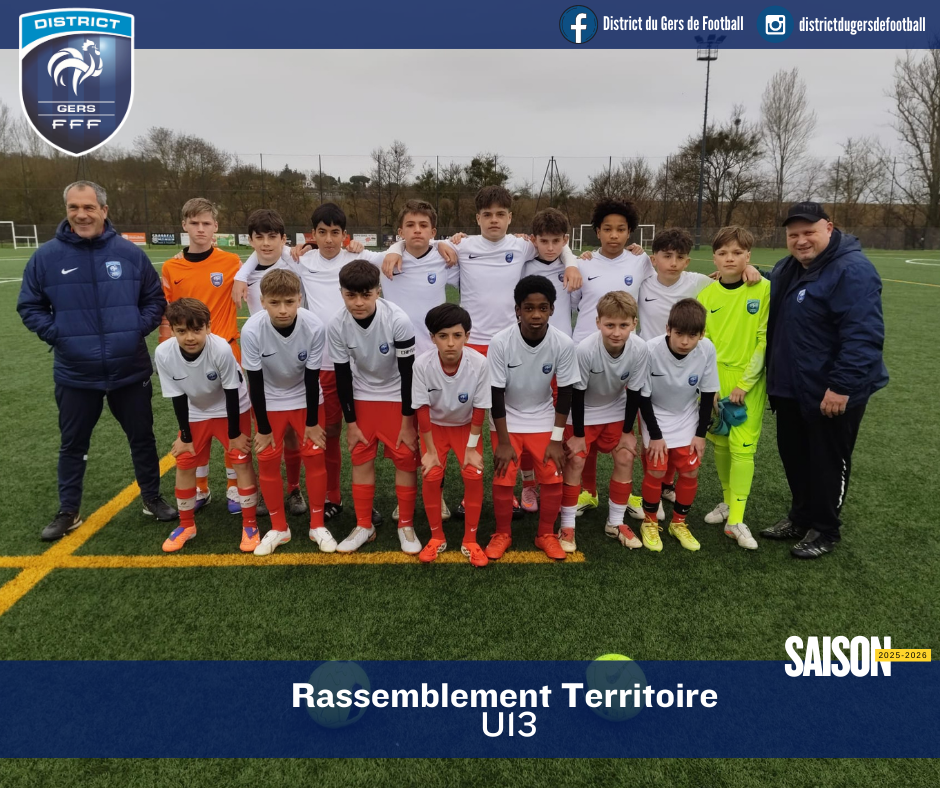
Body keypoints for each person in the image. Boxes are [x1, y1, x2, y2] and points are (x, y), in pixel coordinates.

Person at [17, 180, 176, 541]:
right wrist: (59, 335)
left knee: (142, 438)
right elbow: (29, 305)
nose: (81, 214)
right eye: (74, 207)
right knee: (73, 443)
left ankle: (151, 498)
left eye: (88, 207)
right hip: (75, 372)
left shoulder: (129, 254)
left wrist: (134, 329)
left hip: (129, 368)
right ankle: (68, 510)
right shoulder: (46, 257)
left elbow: (155, 299)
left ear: (104, 210)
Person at [235, 203, 395, 525]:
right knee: (327, 433)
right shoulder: (302, 261)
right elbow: (266, 250)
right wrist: (241, 275)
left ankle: (360, 501)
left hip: (357, 365)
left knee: (357, 435)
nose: (329, 239)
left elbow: (394, 253)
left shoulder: (358, 258)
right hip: (319, 363)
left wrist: (437, 244)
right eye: (322, 232)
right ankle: (331, 496)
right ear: (313, 235)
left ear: (345, 234)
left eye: (336, 232)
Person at [761, 202, 888, 558]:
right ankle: (800, 517)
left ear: (829, 228)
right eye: (794, 235)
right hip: (791, 386)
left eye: (809, 232)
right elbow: (776, 287)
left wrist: (842, 386)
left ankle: (825, 529)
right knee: (795, 456)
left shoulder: (852, 270)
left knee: (827, 460)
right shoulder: (788, 267)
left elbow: (863, 335)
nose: (801, 240)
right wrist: (748, 273)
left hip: (829, 390)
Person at [160, 198, 245, 515]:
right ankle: (201, 488)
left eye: (206, 223)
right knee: (195, 422)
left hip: (226, 353)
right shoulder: (171, 267)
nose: (200, 229)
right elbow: (167, 313)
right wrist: (167, 349)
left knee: (232, 423)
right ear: (184, 225)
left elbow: (267, 261)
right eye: (194, 223)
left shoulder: (232, 262)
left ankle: (234, 488)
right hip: (188, 355)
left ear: (216, 227)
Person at [328, 261, 420, 554]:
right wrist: (351, 423)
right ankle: (364, 525)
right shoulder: (336, 324)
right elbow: (342, 375)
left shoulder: (398, 320)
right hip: (363, 394)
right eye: (350, 295)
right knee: (360, 460)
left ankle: (406, 524)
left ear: (378, 291)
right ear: (341, 293)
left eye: (365, 295)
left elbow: (408, 373)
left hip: (397, 395)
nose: (358, 302)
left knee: (405, 459)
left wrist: (408, 422)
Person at [570, 198, 653, 522]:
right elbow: (574, 303)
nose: (614, 235)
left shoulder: (640, 260)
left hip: (624, 353)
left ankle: (626, 495)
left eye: (621, 229)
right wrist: (572, 259)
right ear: (597, 231)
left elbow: (669, 274)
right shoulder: (584, 263)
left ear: (630, 232)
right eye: (607, 229)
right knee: (584, 430)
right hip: (585, 351)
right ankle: (587, 491)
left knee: (623, 433)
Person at [154, 299, 259, 553]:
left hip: (231, 406)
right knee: (185, 461)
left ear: (208, 327)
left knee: (240, 459)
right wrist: (185, 436)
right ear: (172, 330)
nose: (189, 337)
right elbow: (177, 396)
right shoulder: (164, 353)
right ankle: (186, 525)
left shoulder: (220, 348)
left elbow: (231, 391)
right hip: (195, 410)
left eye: (196, 330)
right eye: (181, 331)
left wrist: (235, 434)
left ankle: (250, 524)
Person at [241, 270, 334, 556]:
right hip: (269, 399)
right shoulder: (252, 330)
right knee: (267, 459)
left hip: (306, 397)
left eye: (290, 302)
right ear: (262, 302)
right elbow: (255, 382)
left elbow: (312, 376)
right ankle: (279, 528)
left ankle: (317, 525)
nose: (283, 310)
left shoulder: (314, 326)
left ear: (300, 300)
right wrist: (263, 428)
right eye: (275, 302)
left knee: (315, 456)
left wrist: (311, 423)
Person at [487, 275, 580, 561]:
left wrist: (556, 439)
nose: (536, 314)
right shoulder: (500, 342)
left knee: (552, 477)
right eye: (528, 308)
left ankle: (546, 534)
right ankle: (502, 533)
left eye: (543, 308)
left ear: (552, 309)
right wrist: (504, 442)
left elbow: (566, 392)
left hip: (542, 416)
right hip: (506, 418)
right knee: (503, 477)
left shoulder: (563, 343)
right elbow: (495, 394)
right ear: (517, 310)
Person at [697, 227, 770, 551]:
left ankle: (736, 519)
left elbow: (763, 340)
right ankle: (728, 503)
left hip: (747, 382)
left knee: (743, 449)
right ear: (714, 258)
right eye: (723, 253)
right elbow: (704, 343)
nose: (730, 258)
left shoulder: (763, 289)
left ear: (748, 257)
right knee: (721, 444)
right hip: (715, 380)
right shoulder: (706, 295)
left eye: (737, 253)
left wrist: (744, 383)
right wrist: (711, 386)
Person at [560, 292, 649, 553]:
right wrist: (577, 435)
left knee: (626, 455)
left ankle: (616, 522)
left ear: (634, 323)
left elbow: (635, 391)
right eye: (610, 325)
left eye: (623, 325)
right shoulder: (585, 350)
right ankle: (567, 526)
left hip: (615, 409)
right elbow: (577, 394)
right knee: (576, 459)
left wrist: (627, 432)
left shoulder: (640, 348)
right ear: (598, 322)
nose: (616, 332)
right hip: (583, 410)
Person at [412, 304, 491, 566]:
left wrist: (471, 448)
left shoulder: (479, 363)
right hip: (434, 428)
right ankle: (437, 537)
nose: (450, 343)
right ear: (432, 337)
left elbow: (480, 408)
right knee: (431, 474)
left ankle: (470, 540)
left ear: (467, 336)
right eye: (442, 336)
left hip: (466, 428)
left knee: (473, 474)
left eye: (457, 336)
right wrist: (430, 451)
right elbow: (422, 409)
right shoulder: (422, 364)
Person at [638, 299, 718, 552]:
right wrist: (655, 435)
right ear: (668, 329)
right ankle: (650, 522)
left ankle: (679, 523)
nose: (685, 341)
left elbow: (707, 394)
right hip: (655, 414)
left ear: (701, 334)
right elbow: (643, 398)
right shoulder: (649, 350)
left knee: (690, 471)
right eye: (679, 334)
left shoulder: (707, 349)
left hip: (686, 414)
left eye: (692, 336)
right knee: (657, 471)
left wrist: (700, 434)